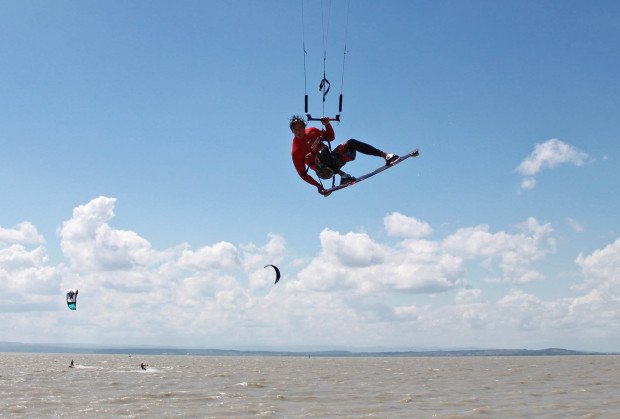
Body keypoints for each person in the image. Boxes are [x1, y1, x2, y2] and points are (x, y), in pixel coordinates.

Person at [290, 115, 398, 196]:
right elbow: (303, 174)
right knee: (321, 153)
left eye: (300, 128)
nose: (298, 131)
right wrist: (318, 185)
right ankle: (343, 176)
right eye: (295, 129)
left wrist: (327, 125)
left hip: (333, 159)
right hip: (324, 172)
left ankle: (386, 156)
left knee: (351, 142)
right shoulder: (296, 151)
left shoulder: (313, 131)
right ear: (292, 131)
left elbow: (330, 138)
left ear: (304, 127)